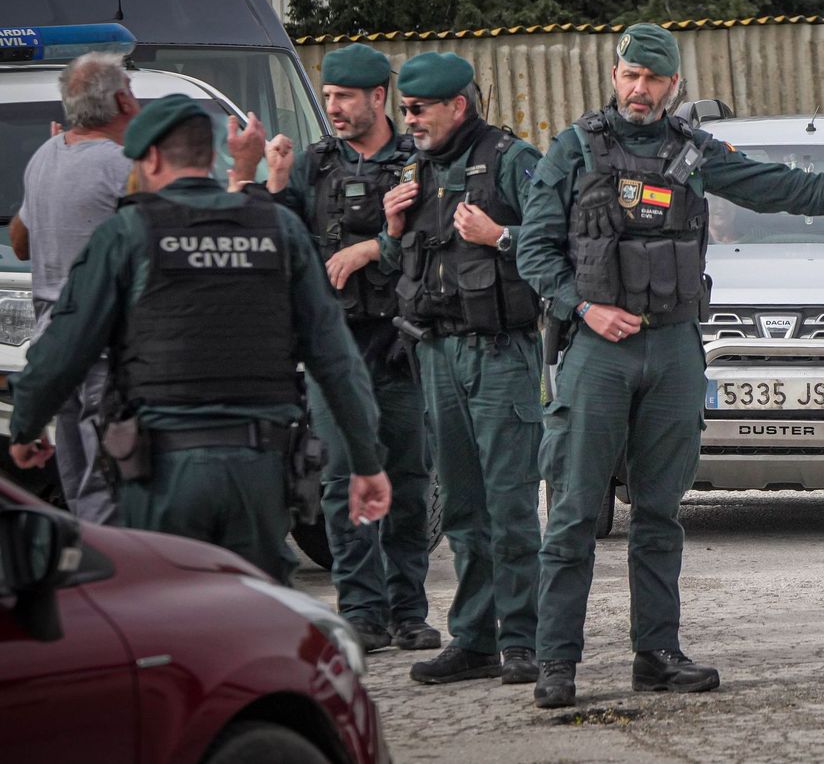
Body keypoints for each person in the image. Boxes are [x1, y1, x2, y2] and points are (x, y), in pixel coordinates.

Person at [517, 23, 824, 709]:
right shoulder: (573, 150)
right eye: (631, 75)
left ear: (675, 87)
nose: (640, 89)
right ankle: (556, 663)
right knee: (573, 513)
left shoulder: (693, 154)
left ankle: (657, 654)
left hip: (675, 348)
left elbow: (781, 185)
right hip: (598, 351)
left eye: (654, 79)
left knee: (660, 512)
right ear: (614, 74)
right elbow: (535, 253)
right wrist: (582, 308)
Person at [6, 95, 391, 584]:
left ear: (149, 158)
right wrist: (366, 460)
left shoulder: (127, 233)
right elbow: (335, 359)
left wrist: (26, 426)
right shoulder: (278, 228)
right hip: (260, 470)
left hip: (162, 471)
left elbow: (64, 348)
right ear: (211, 157)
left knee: (169, 623)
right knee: (259, 619)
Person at [263, 43, 438, 653]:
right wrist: (279, 187)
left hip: (404, 342)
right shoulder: (314, 165)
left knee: (410, 483)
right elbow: (283, 243)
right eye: (328, 96)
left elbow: (438, 240)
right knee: (342, 480)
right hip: (336, 347)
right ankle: (361, 611)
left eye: (343, 97)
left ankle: (408, 609)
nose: (332, 107)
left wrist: (372, 249)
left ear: (377, 98)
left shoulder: (419, 160)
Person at [377, 52, 545, 686]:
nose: (409, 118)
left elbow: (560, 245)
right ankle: (474, 640)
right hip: (437, 354)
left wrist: (498, 235)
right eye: (405, 108)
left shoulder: (513, 161)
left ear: (458, 106)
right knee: (465, 513)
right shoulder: (415, 169)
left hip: (501, 355)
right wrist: (392, 228)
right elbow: (405, 261)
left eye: (419, 109)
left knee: (509, 506)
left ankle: (523, 640)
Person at [8, 53, 139, 523]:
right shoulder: (124, 166)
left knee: (79, 476)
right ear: (123, 98)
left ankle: (92, 575)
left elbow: (20, 243)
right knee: (111, 482)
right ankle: (119, 582)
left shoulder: (46, 155)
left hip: (53, 341)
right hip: (104, 346)